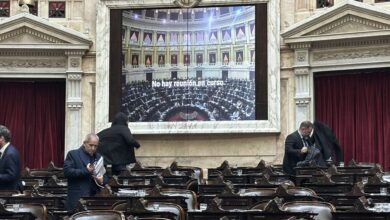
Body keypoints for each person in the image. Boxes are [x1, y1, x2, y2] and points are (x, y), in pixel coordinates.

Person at [63, 133, 108, 211]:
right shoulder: (73, 154)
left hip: (94, 198)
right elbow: (67, 172)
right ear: (84, 143)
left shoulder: (99, 157)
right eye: (91, 145)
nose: (93, 148)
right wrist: (86, 171)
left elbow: (106, 177)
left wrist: (102, 180)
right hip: (77, 198)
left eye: (95, 146)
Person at [0, 125, 21, 190]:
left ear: (1, 138)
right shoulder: (6, 151)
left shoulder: (10, 153)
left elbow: (11, 176)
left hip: (9, 194)